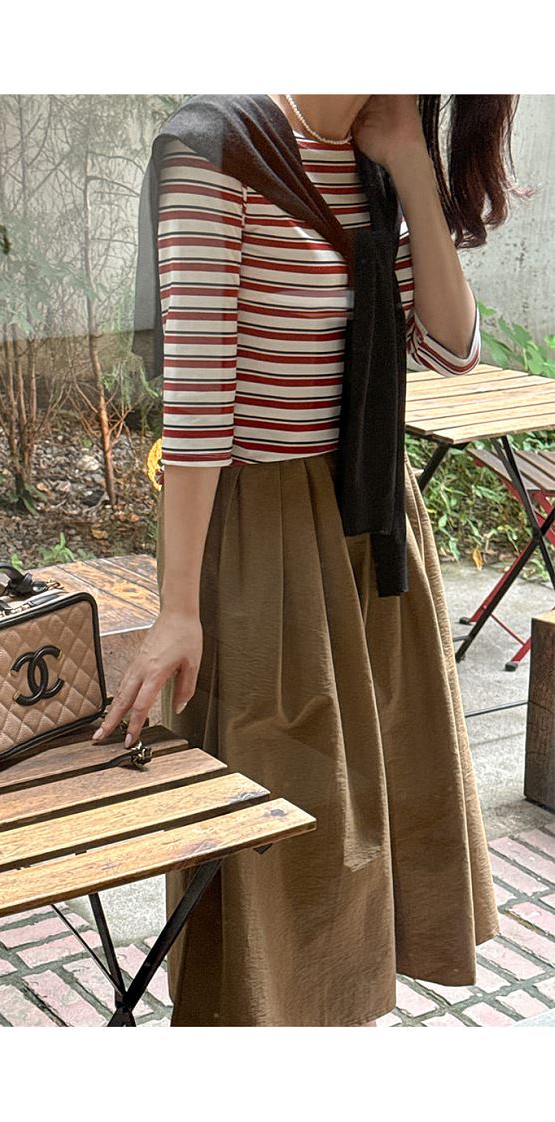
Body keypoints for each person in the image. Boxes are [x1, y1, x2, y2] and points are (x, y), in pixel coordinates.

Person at [92, 94, 518, 1027]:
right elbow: (198, 397)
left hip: (374, 527)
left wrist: (412, 167)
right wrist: (179, 607)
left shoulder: (375, 154)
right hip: (267, 537)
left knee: (380, 812)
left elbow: (452, 350)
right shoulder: (219, 150)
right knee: (285, 824)